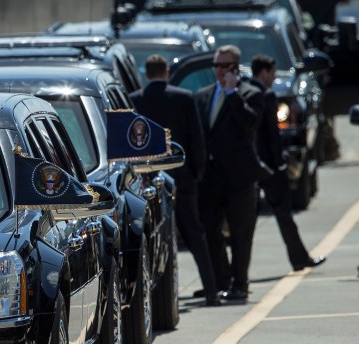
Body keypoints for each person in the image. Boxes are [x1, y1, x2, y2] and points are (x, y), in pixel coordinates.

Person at [129, 54, 225, 307]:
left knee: (153, 237)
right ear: (167, 71)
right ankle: (212, 289)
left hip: (147, 180)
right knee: (194, 232)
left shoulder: (134, 101)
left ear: (146, 73)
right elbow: (197, 138)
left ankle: (154, 297)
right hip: (182, 176)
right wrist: (197, 172)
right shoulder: (184, 97)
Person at [194, 45, 265, 302]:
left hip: (239, 178)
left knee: (240, 233)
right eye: (217, 65)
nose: (220, 71)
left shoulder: (251, 94)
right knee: (209, 230)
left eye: (225, 66)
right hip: (211, 179)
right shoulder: (203, 96)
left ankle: (240, 283)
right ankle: (219, 281)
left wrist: (233, 93)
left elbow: (249, 123)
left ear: (236, 67)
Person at [248, 54, 326, 271]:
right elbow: (273, 136)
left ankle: (235, 275)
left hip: (249, 164)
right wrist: (280, 164)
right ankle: (299, 258)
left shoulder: (243, 91)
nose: (273, 78)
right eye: (272, 73)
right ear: (263, 72)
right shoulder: (268, 95)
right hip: (270, 166)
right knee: (284, 215)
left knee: (244, 225)